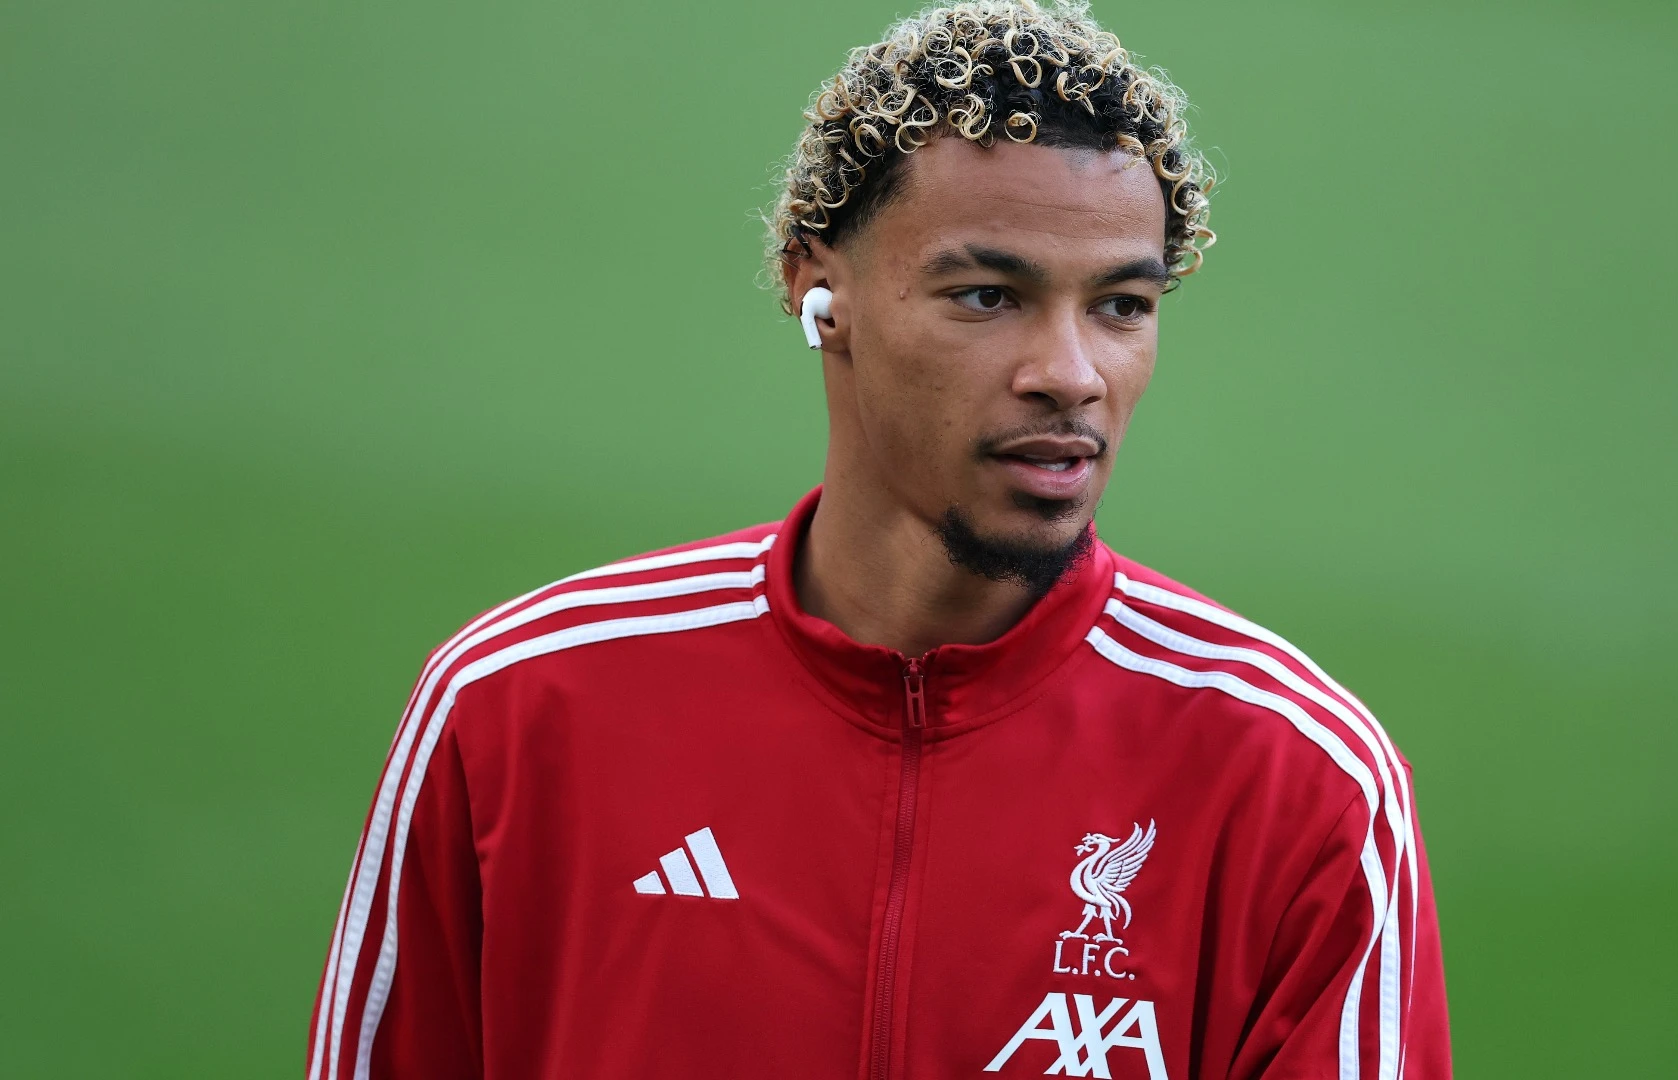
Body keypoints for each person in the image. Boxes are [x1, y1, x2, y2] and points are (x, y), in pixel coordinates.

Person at [307, 3, 1451, 1077]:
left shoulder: (1300, 783)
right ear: (821, 291)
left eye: (1121, 307)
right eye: (987, 295)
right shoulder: (518, 709)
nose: (1071, 374)